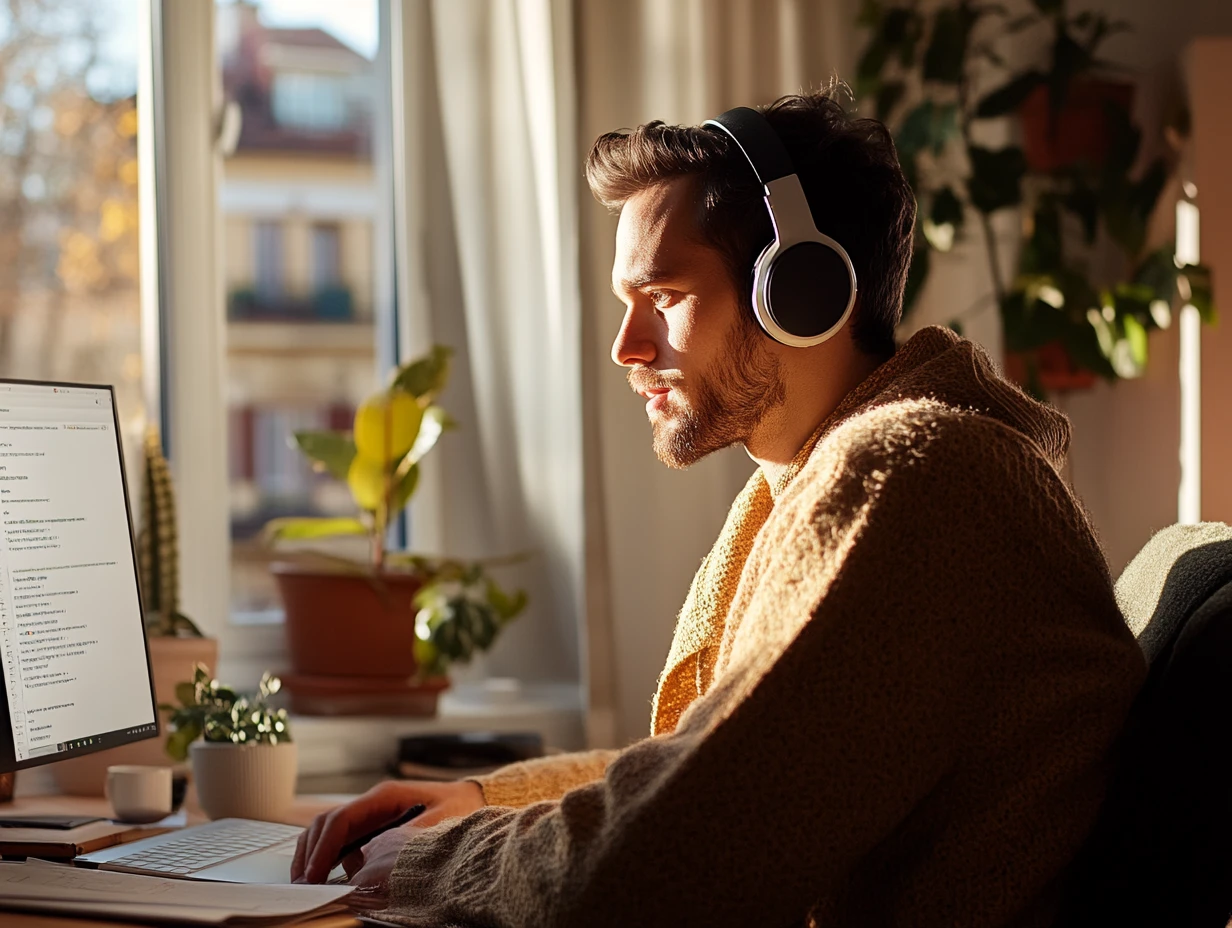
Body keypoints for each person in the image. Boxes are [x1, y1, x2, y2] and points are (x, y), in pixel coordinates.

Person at [291, 89, 1145, 927]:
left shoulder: (914, 478)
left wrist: (448, 862)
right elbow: (716, 770)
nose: (627, 349)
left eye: (662, 299)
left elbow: (679, 853)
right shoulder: (841, 475)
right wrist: (481, 800)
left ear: (798, 288)